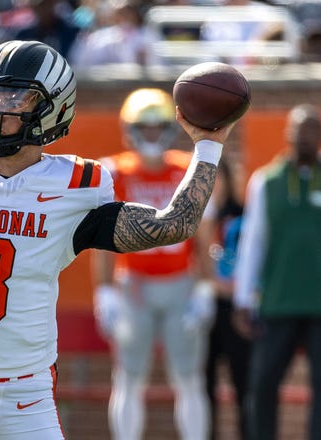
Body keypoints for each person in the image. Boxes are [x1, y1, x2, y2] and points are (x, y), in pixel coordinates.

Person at [0, 39, 236, 439]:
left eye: (13, 98)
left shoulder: (76, 187)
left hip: (25, 395)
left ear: (52, 109)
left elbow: (174, 226)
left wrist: (208, 147)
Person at [91, 88, 215, 440]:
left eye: (156, 126)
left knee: (189, 377)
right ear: (129, 128)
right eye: (142, 127)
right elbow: (101, 241)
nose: (149, 135)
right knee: (129, 377)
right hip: (135, 287)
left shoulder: (185, 170)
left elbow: (204, 236)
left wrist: (205, 287)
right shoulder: (114, 172)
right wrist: (103, 291)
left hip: (181, 283)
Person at [234, 103, 321, 440]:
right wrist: (243, 298)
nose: (305, 137)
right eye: (300, 130)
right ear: (288, 134)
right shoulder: (266, 181)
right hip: (278, 300)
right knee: (264, 383)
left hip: (318, 304)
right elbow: (254, 242)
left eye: (312, 130)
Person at [203, 157, 252, 440]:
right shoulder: (191, 217)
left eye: (217, 178)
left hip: (234, 309)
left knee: (243, 384)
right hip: (204, 310)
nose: (214, 185)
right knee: (203, 385)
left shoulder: (242, 214)